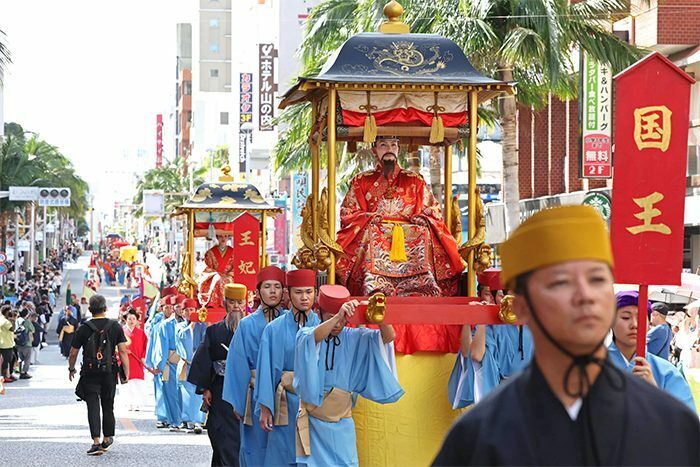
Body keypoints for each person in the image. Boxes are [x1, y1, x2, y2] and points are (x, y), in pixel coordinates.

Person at [433, 205, 700, 466]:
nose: (584, 296)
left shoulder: (670, 424)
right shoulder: (479, 437)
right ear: (521, 308)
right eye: (561, 282)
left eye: (597, 280)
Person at [335, 135, 463, 353]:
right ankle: (374, 285)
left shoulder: (415, 180)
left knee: (422, 231)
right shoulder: (361, 180)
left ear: (399, 148)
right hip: (375, 231)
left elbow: (432, 210)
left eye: (393, 145)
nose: (389, 149)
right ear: (374, 149)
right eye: (383, 145)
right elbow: (349, 214)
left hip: (410, 234)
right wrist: (368, 218)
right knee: (373, 232)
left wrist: (422, 218)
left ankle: (422, 285)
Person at [294, 284, 404, 466]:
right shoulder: (305, 334)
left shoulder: (354, 336)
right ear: (319, 313)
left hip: (342, 421)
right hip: (314, 421)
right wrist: (338, 315)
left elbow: (388, 337)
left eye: (343, 319)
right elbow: (314, 337)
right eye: (332, 318)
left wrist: (379, 316)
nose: (338, 324)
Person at [254, 269, 320, 466]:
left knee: (312, 453)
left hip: (313, 402)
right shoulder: (273, 329)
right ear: (288, 294)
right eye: (298, 292)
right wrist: (265, 407)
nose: (304, 297)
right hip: (283, 401)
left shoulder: (322, 326)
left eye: (309, 292)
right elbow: (265, 369)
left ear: (315, 293)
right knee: (282, 453)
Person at [223, 266, 286, 465]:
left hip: (286, 396)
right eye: (267, 287)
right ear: (258, 292)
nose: (273, 291)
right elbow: (236, 363)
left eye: (277, 286)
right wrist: (238, 400)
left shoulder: (291, 321)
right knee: (255, 448)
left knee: (284, 448)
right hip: (255, 395)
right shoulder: (247, 324)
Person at [188, 283, 246, 467]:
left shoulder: (254, 329)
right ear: (224, 303)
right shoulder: (214, 331)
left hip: (247, 389)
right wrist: (205, 388)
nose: (236, 306)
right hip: (221, 389)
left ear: (246, 303)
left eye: (239, 302)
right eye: (232, 302)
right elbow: (203, 360)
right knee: (222, 436)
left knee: (240, 439)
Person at [609, 291, 696, 412]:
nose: (634, 324)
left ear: (649, 324)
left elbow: (687, 424)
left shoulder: (668, 373)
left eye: (640, 318)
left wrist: (655, 394)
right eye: (625, 317)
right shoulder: (592, 367)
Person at [69, 294, 129, 456]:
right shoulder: (115, 326)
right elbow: (122, 350)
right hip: (109, 372)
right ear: (105, 308)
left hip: (89, 372)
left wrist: (71, 368)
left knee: (92, 405)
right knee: (108, 405)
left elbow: (73, 352)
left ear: (89, 309)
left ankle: (96, 441)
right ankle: (108, 437)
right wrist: (126, 372)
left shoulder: (83, 328)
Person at [174, 298, 206, 434]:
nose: (188, 312)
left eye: (191, 310)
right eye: (186, 310)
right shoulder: (179, 327)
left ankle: (199, 420)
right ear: (182, 312)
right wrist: (190, 328)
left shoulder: (203, 325)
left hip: (199, 362)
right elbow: (181, 341)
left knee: (199, 392)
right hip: (186, 363)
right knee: (186, 392)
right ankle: (188, 420)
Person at [153, 295, 184, 430]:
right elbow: (162, 346)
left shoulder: (187, 323)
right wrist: (160, 364)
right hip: (170, 362)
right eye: (176, 307)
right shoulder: (165, 325)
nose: (179, 309)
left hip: (185, 362)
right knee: (170, 392)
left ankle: (186, 419)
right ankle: (174, 421)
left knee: (184, 392)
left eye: (181, 307)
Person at [144, 297, 169, 428]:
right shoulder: (157, 322)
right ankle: (162, 415)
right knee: (160, 388)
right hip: (160, 359)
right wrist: (153, 362)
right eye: (166, 307)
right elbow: (153, 343)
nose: (170, 310)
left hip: (176, 361)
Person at [120, 309, 148, 411]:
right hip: (125, 360)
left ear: (137, 321)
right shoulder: (121, 331)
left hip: (137, 360)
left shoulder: (141, 333)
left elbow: (145, 346)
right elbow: (116, 347)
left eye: (133, 319)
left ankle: (137, 403)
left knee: (137, 383)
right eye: (129, 319)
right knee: (127, 382)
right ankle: (129, 403)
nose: (131, 321)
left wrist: (143, 357)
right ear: (125, 320)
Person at [198, 233, 236, 308]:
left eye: (225, 236)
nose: (223, 239)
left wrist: (229, 275)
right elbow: (207, 267)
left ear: (228, 238)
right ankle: (215, 302)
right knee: (217, 279)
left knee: (226, 280)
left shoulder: (233, 252)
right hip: (215, 276)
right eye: (221, 236)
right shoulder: (210, 253)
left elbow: (236, 267)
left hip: (229, 276)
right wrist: (216, 274)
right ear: (217, 237)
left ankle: (229, 302)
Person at [15, 309, 34, 379]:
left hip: (18, 342)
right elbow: (33, 329)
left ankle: (20, 371)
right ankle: (24, 372)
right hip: (27, 343)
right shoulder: (27, 322)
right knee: (27, 359)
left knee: (20, 358)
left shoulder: (17, 320)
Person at [0, 307, 16, 383]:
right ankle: (5, 376)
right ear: (6, 312)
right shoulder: (6, 322)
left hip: (2, 342)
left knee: (7, 360)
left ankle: (6, 375)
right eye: (9, 311)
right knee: (7, 361)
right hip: (6, 344)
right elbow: (12, 329)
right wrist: (13, 320)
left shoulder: (1, 319)